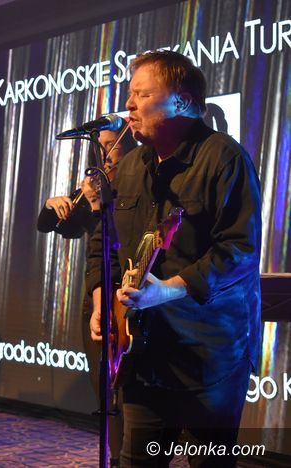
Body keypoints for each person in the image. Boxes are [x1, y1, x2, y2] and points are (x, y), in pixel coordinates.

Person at [86, 50, 261, 466]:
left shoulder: (224, 157)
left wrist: (166, 291)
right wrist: (101, 302)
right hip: (144, 353)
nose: (128, 105)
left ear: (181, 100)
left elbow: (238, 250)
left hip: (208, 354)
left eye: (142, 94)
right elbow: (103, 242)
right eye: (130, 94)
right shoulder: (131, 167)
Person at [37, 122, 137, 466]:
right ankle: (115, 457)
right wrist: (52, 205)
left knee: (129, 391)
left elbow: (113, 240)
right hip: (96, 296)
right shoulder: (94, 184)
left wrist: (97, 207)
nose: (105, 153)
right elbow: (48, 225)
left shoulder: (133, 184)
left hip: (128, 293)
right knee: (105, 388)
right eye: (100, 146)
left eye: (111, 144)